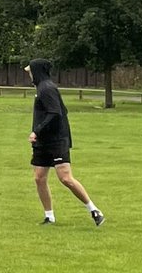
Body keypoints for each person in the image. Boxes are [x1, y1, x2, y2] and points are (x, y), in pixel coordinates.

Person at [25, 59, 104, 226]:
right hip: (43, 141)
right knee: (39, 178)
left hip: (56, 140)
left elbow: (55, 113)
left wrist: (36, 131)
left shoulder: (47, 88)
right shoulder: (40, 88)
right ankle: (49, 216)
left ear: (36, 71)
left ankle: (94, 210)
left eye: (30, 71)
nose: (29, 74)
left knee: (65, 178)